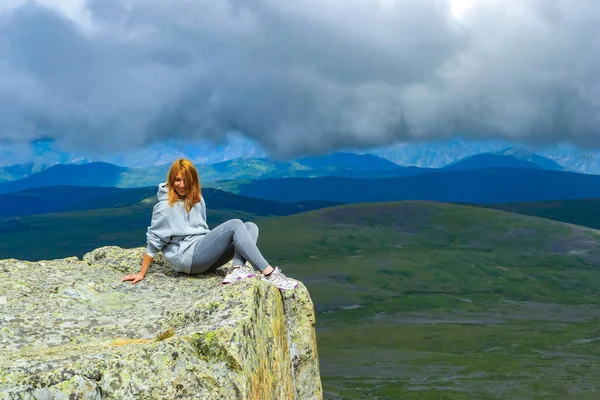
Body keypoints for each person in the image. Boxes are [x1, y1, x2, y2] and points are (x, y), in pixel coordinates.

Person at [121, 158, 298, 290]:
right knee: (235, 224)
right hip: (188, 258)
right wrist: (141, 272)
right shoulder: (164, 207)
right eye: (177, 180)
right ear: (170, 181)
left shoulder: (197, 200)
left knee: (251, 226)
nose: (181, 185)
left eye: (186, 180)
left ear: (193, 180)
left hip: (201, 254)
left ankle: (237, 269)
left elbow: (201, 230)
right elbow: (154, 241)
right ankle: (269, 274)